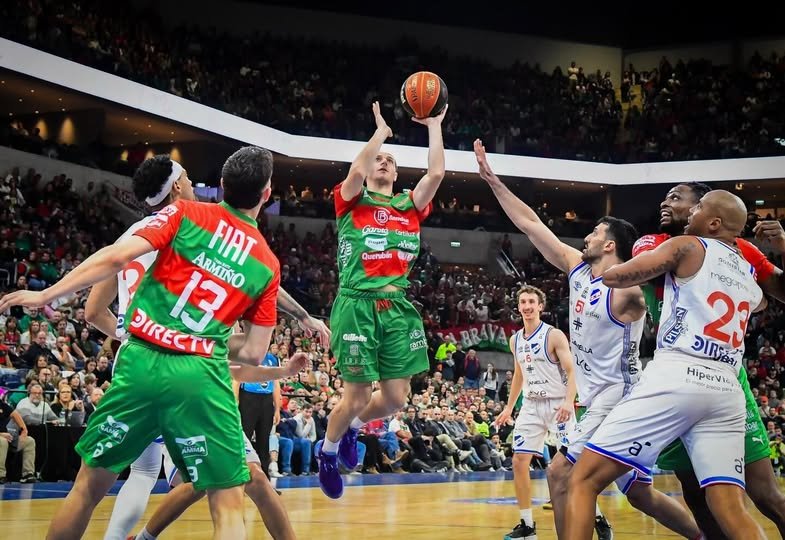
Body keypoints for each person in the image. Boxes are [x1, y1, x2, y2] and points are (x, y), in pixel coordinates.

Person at [0, 146, 305, 540]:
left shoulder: (183, 214)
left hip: (139, 360)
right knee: (228, 503)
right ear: (267, 194)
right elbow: (250, 352)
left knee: (88, 488)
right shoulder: (267, 263)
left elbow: (114, 260)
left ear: (223, 186)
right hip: (201, 375)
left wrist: (46, 296)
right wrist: (257, 356)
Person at [84, 155, 327, 540]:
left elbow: (93, 310)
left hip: (134, 361)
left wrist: (134, 333)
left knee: (138, 475)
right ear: (178, 186)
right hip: (191, 370)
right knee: (230, 485)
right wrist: (301, 320)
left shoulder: (131, 235)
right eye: (186, 174)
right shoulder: (192, 220)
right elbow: (253, 277)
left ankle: (132, 538)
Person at [474, 139, 700, 540]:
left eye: (595, 232)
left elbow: (679, 278)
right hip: (596, 398)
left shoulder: (629, 291)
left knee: (561, 472)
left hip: (620, 398)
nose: (588, 236)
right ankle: (702, 536)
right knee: (640, 494)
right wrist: (493, 181)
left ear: (610, 245)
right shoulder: (578, 269)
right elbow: (530, 224)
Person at [566, 190, 766, 540]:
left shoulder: (686, 245)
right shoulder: (747, 271)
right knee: (730, 505)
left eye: (700, 207)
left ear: (715, 222)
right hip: (727, 388)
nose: (693, 211)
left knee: (582, 479)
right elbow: (759, 304)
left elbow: (616, 278)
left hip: (679, 373)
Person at [633, 182, 785, 539]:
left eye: (677, 198)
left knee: (765, 494)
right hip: (674, 378)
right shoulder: (653, 243)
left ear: (707, 212)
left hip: (724, 379)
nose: (665, 203)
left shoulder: (742, 249)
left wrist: (781, 246)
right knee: (698, 499)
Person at [317, 101, 447, 499]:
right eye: (380, 159)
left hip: (398, 308)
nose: (384, 163)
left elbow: (437, 172)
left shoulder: (409, 205)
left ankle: (354, 427)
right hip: (357, 304)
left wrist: (435, 125)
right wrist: (380, 135)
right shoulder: (351, 200)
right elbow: (356, 170)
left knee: (393, 399)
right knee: (355, 395)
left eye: (390, 160)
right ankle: (328, 451)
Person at [494, 286, 577, 540]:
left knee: (570, 465)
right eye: (523, 302)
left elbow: (573, 371)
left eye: (531, 301)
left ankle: (595, 515)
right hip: (531, 405)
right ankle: (527, 525)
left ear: (541, 306)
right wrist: (509, 407)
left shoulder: (554, 336)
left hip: (557, 405)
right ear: (518, 307)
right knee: (519, 461)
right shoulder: (515, 339)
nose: (527, 306)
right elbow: (519, 374)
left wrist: (568, 402)